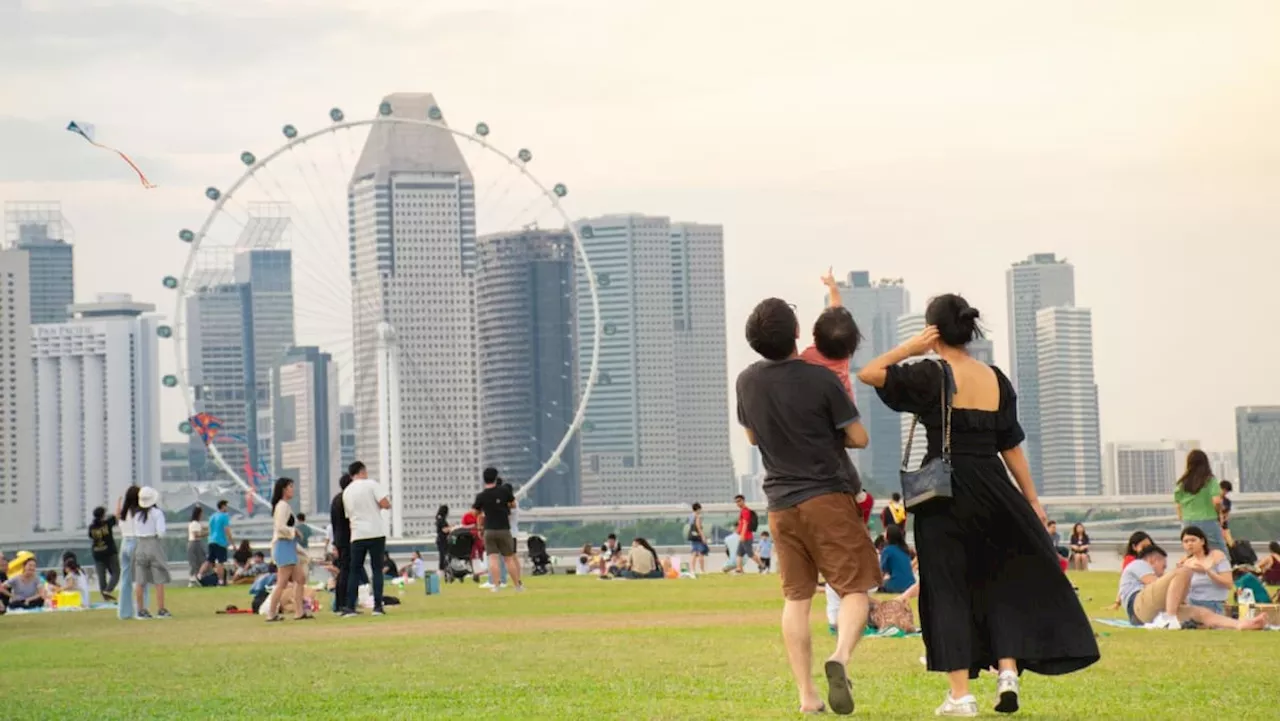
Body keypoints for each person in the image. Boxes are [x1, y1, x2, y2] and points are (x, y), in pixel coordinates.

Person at [856, 294, 1098, 717]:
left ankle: (960, 695)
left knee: (948, 589)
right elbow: (1012, 446)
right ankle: (1007, 672)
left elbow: (870, 373)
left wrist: (911, 349)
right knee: (999, 580)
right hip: (996, 489)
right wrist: (1034, 502)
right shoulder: (996, 378)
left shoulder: (932, 374)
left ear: (934, 332)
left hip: (944, 495)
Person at [736, 297, 880, 716]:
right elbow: (858, 438)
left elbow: (750, 438)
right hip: (827, 498)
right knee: (854, 588)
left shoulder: (746, 382)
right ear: (798, 333)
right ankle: (841, 658)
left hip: (780, 505)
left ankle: (807, 696)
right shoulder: (821, 380)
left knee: (796, 598)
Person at [1119, 544, 1266, 631]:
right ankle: (1170, 619)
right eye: (1162, 566)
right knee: (1184, 570)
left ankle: (1241, 624)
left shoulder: (1150, 583)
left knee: (1201, 613)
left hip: (1151, 613)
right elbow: (1152, 583)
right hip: (1138, 605)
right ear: (1153, 559)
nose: (1163, 571)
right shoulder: (1139, 564)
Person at [342, 461, 390, 617]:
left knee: (354, 570)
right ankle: (377, 606)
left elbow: (349, 515)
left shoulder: (347, 492)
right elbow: (385, 503)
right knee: (377, 570)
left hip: (357, 534)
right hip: (376, 532)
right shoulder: (371, 484)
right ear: (363, 471)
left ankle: (350, 606)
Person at [265, 478, 311, 622]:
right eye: (291, 486)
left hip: (288, 547)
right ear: (284, 489)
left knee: (300, 578)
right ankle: (271, 613)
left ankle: (299, 612)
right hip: (284, 547)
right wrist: (294, 531)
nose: (293, 489)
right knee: (282, 582)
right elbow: (280, 527)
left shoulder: (284, 506)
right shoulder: (282, 506)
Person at [475, 468, 524, 593]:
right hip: (503, 529)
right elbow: (513, 504)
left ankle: (495, 585)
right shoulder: (504, 492)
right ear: (496, 477)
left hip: (489, 529)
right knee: (508, 558)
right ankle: (517, 586)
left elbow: (475, 512)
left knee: (492, 558)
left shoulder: (482, 495)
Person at [130, 486, 172, 619]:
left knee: (140, 580)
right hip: (153, 544)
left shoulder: (136, 514)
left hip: (140, 545)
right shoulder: (157, 513)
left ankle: (141, 610)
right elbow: (161, 532)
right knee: (159, 579)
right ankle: (161, 609)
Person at [1174, 450, 1224, 551]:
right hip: (1207, 519)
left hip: (1187, 521)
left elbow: (1178, 504)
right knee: (1218, 550)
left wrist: (1182, 519)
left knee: (1192, 552)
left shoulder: (1182, 482)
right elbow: (1217, 501)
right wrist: (1219, 514)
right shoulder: (1210, 480)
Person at [1178, 526, 1232, 616]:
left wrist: (1208, 572)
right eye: (1186, 541)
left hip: (1215, 604)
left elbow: (1229, 584)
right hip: (1193, 603)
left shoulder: (1217, 556)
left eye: (1193, 540)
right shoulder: (1186, 562)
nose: (1189, 544)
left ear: (1202, 541)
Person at [329, 471, 354, 614]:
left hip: (339, 539)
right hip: (348, 539)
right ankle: (344, 603)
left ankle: (340, 603)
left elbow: (333, 523)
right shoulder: (347, 499)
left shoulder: (336, 499)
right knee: (347, 571)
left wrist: (334, 543)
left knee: (343, 571)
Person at [87, 506, 120, 602]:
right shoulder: (107, 523)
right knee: (116, 573)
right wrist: (119, 501)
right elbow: (117, 515)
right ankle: (108, 590)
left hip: (97, 553)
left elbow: (90, 537)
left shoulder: (91, 527)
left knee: (101, 576)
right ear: (103, 515)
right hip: (110, 552)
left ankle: (105, 597)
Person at [199, 500, 234, 585]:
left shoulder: (212, 516)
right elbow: (227, 530)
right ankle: (221, 580)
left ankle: (199, 575)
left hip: (211, 540)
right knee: (220, 562)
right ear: (223, 506)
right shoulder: (224, 516)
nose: (227, 508)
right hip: (220, 541)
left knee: (209, 560)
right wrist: (232, 542)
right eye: (226, 506)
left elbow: (210, 529)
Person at [878, 525, 916, 594]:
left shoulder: (887, 550)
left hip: (896, 586)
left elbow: (881, 572)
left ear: (888, 536)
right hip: (911, 585)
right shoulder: (905, 549)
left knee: (881, 585)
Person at [730, 495, 759, 574]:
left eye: (739, 501)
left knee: (750, 554)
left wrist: (742, 535)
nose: (738, 503)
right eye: (736, 502)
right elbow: (742, 524)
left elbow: (745, 523)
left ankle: (763, 566)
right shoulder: (743, 510)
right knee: (739, 553)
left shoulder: (745, 511)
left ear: (743, 500)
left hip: (746, 537)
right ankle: (739, 570)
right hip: (743, 536)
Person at [187, 507, 208, 587]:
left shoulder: (194, 524)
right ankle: (195, 577)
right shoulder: (195, 524)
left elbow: (202, 529)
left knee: (195, 562)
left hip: (194, 543)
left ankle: (193, 578)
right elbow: (196, 535)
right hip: (195, 543)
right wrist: (207, 533)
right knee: (201, 561)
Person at [687, 502, 709, 575]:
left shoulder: (690, 516)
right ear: (698, 509)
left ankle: (692, 570)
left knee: (694, 553)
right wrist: (703, 537)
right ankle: (702, 570)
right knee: (701, 553)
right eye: (700, 509)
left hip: (693, 536)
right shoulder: (698, 516)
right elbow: (698, 527)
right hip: (698, 536)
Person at [1218, 480, 1234, 548]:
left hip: (1223, 526)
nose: (1224, 492)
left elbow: (1226, 515)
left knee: (1231, 544)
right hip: (1213, 524)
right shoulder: (1212, 499)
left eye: (1226, 491)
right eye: (1223, 490)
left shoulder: (1227, 501)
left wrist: (1223, 519)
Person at [435, 505, 451, 574]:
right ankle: (442, 570)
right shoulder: (442, 520)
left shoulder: (439, 519)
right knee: (443, 556)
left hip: (441, 540)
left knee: (443, 555)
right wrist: (452, 528)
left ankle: (443, 569)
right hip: (442, 540)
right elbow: (445, 530)